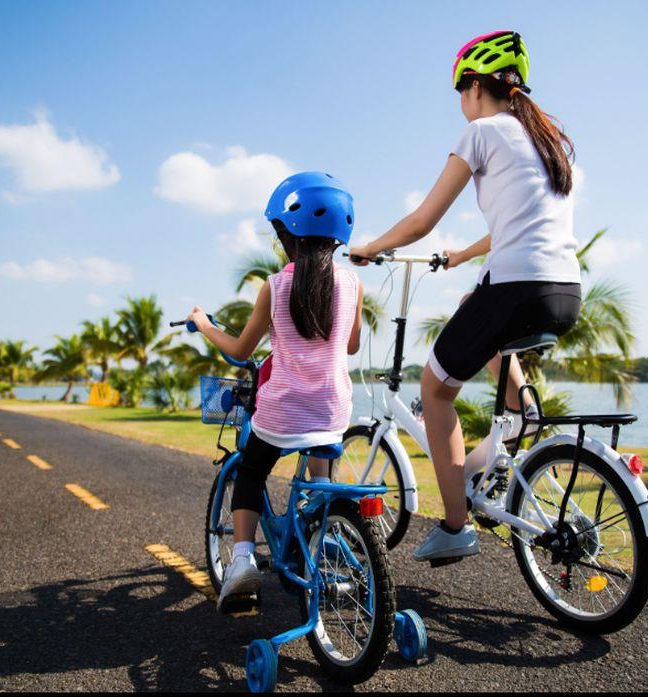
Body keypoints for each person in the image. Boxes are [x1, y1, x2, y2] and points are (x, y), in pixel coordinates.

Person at [349, 30, 582, 563]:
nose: (460, 105)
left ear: (475, 87)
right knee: (471, 312)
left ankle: (456, 526)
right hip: (564, 291)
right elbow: (514, 228)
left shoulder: (481, 133)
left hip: (517, 288)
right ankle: (519, 413)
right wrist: (458, 257)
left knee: (434, 390)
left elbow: (421, 219)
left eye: (460, 92)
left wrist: (371, 247)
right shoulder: (544, 141)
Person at [189, 171, 365, 611]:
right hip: (331, 411)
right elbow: (352, 344)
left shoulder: (276, 285)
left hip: (283, 412)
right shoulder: (353, 284)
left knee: (251, 471)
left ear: (287, 235)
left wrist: (207, 326)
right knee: (320, 480)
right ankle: (322, 536)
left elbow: (241, 349)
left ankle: (244, 558)